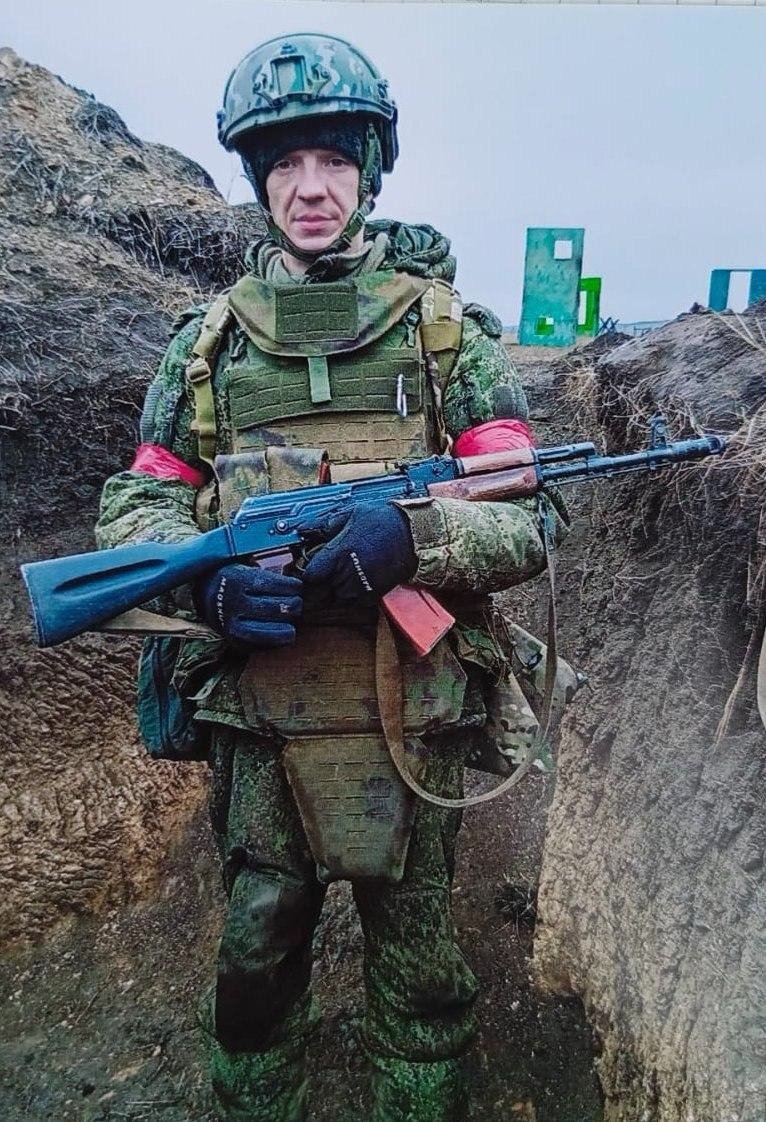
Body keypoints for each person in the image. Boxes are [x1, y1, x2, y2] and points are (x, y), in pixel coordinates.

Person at [96, 33, 566, 1122]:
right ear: (259, 179)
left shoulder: (448, 337)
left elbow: (531, 515)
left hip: (418, 703)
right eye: (286, 164)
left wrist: (415, 540)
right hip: (260, 713)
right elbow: (138, 505)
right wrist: (203, 590)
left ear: (370, 169)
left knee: (419, 959)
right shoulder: (207, 350)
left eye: (335, 161)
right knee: (256, 954)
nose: (311, 189)